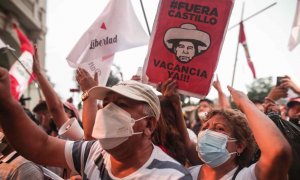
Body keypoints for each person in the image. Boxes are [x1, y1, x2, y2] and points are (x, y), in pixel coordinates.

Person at [0, 66, 191, 179]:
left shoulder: (172, 177)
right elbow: (41, 146)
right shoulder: (94, 152)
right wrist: (6, 103)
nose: (108, 111)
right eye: (106, 104)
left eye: (121, 105)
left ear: (148, 125)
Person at [189, 86, 292, 180]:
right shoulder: (186, 174)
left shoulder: (248, 177)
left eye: (219, 128)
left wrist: (244, 102)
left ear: (240, 146)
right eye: (204, 128)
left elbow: (278, 152)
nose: (208, 132)